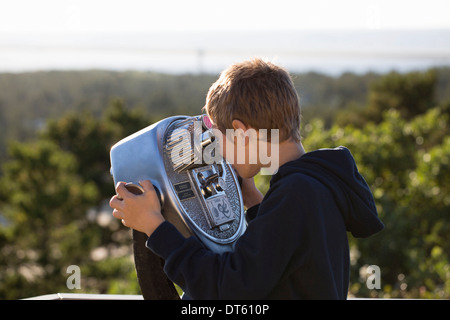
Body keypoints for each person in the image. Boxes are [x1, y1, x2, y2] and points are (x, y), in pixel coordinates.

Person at [109, 58, 384, 299]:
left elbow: (229, 288)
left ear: (241, 132)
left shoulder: (295, 194)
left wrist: (154, 226)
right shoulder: (317, 183)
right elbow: (281, 260)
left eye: (217, 139)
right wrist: (253, 201)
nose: (218, 153)